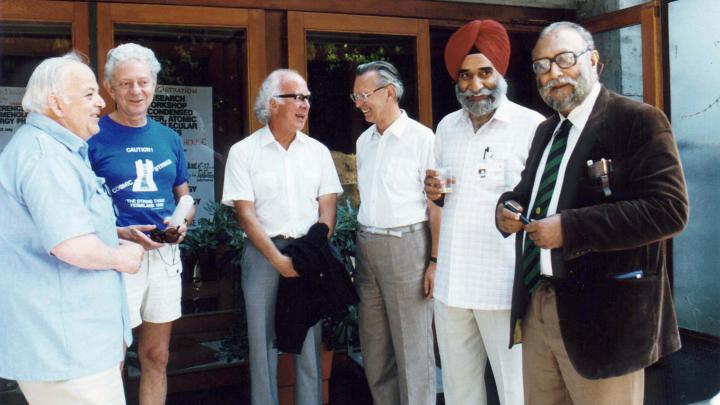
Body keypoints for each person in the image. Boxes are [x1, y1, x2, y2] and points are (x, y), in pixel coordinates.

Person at [495, 22, 689, 405]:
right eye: (541, 66)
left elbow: (669, 210)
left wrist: (570, 228)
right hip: (539, 306)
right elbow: (530, 194)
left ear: (594, 61)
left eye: (564, 59)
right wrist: (507, 208)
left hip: (607, 322)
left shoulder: (637, 121)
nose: (554, 72)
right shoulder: (546, 131)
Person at [0, 52, 145, 404]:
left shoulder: (52, 149)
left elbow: (51, 228)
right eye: (89, 94)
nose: (100, 102)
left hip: (72, 348)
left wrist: (115, 235)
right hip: (68, 351)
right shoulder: (46, 156)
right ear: (56, 104)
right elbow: (71, 245)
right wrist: (122, 258)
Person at [424, 19, 544, 405]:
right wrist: (434, 193)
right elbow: (445, 196)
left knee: (516, 392)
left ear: (501, 72)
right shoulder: (446, 127)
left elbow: (544, 205)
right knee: (460, 393)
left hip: (505, 286)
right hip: (452, 286)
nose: (476, 86)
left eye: (484, 73)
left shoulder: (532, 127)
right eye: (465, 76)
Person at [222, 69, 343, 405]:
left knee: (308, 341)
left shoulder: (317, 151)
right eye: (297, 98)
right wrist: (277, 260)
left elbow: (328, 207)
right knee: (261, 344)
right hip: (263, 255)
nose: (304, 105)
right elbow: (245, 214)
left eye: (307, 98)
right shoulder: (244, 152)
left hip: (308, 251)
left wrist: (311, 252)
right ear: (273, 104)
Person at [88, 43, 195, 405]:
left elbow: (184, 196)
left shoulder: (169, 138)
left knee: (156, 356)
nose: (136, 91)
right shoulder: (92, 137)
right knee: (111, 359)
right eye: (126, 84)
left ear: (155, 85)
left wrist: (182, 222)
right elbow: (77, 207)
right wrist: (119, 233)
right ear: (110, 88)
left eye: (143, 82)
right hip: (117, 257)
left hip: (164, 258)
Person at [352, 61, 439, 405]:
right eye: (355, 95)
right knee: (374, 348)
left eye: (364, 94)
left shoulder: (422, 138)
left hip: (407, 247)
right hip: (366, 245)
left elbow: (436, 205)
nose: (359, 102)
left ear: (389, 92)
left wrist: (434, 260)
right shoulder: (364, 141)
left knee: (413, 349)